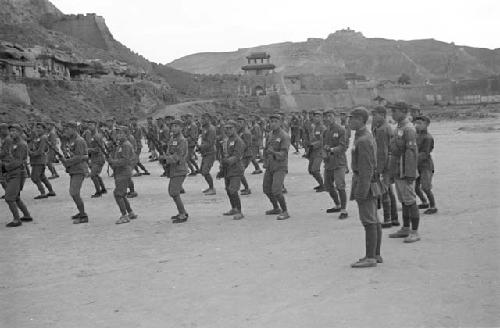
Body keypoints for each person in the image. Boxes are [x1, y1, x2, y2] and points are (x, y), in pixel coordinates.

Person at [348, 108, 383, 268]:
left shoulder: (363, 140)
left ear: (361, 120)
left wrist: (361, 191)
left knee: (369, 221)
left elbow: (366, 169)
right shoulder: (362, 137)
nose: (349, 122)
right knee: (373, 220)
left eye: (352, 119)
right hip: (368, 182)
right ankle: (375, 254)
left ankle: (371, 257)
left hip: (365, 183)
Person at [387, 102, 421, 243]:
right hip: (398, 169)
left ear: (403, 111)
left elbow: (411, 153)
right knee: (404, 201)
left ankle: (414, 231)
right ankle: (405, 228)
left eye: (395, 111)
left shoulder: (408, 129)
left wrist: (410, 174)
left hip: (405, 170)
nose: (392, 114)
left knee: (410, 201)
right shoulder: (399, 127)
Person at [371, 106, 399, 227]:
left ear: (382, 115)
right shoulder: (385, 127)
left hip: (385, 164)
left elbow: (382, 151)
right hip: (390, 162)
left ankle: (387, 219)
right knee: (389, 191)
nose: (373, 117)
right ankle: (394, 219)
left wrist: (379, 169)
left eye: (375, 114)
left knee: (384, 192)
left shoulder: (382, 129)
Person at [2, 124, 33, 227]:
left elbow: (18, 162)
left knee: (9, 197)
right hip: (13, 172)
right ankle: (27, 215)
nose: (12, 133)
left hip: (18, 173)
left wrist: (4, 166)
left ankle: (17, 219)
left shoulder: (21, 144)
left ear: (20, 132)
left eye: (14, 131)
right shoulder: (13, 143)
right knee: (16, 197)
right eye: (11, 131)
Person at [263, 113, 291, 220]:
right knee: (266, 189)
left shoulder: (284, 136)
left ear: (280, 123)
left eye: (275, 122)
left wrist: (274, 153)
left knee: (276, 190)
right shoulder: (270, 135)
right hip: (270, 166)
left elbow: (284, 154)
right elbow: (266, 149)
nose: (273, 124)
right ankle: (276, 207)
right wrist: (265, 160)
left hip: (280, 166)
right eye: (271, 122)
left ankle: (285, 211)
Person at [61, 122, 89, 224]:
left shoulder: (79, 141)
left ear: (74, 129)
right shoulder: (70, 140)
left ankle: (83, 215)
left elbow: (79, 157)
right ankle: (80, 212)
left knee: (74, 192)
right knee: (73, 193)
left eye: (67, 129)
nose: (65, 131)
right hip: (73, 169)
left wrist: (67, 162)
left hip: (79, 169)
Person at [109, 126, 138, 224]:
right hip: (120, 171)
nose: (119, 135)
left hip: (124, 172)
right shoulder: (121, 144)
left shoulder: (125, 145)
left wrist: (114, 161)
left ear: (126, 134)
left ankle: (124, 215)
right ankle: (130, 212)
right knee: (122, 194)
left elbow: (125, 160)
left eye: (121, 133)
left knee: (118, 194)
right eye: (118, 133)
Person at [161, 119, 189, 223]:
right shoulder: (172, 139)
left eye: (176, 126)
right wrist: (165, 157)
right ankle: (182, 212)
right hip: (173, 169)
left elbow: (178, 155)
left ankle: (182, 214)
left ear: (181, 128)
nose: (174, 128)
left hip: (179, 169)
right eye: (172, 126)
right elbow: (169, 152)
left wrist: (166, 159)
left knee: (173, 192)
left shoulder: (182, 140)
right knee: (173, 192)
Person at [323, 110, 348, 219]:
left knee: (340, 186)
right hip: (329, 162)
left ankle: (344, 210)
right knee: (328, 185)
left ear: (334, 117)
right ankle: (337, 204)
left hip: (339, 162)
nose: (328, 118)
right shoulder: (326, 131)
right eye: (326, 116)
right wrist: (324, 153)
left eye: (330, 116)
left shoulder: (341, 130)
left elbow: (343, 146)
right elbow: (324, 145)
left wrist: (332, 149)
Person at [221, 120, 245, 220]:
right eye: (226, 128)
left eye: (230, 128)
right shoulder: (226, 140)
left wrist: (227, 161)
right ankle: (234, 208)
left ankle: (239, 211)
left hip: (235, 169)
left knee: (233, 189)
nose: (228, 130)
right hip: (227, 169)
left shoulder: (238, 141)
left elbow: (237, 156)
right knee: (228, 190)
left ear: (235, 128)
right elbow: (224, 153)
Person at [414, 115, 437, 215]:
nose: (417, 125)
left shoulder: (428, 137)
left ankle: (433, 206)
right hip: (417, 165)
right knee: (416, 187)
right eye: (416, 123)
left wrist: (412, 159)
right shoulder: (415, 135)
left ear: (427, 125)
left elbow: (424, 153)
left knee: (426, 187)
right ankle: (424, 202)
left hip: (426, 165)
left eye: (420, 123)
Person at [29, 122, 56, 199]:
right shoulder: (38, 137)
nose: (37, 129)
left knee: (35, 177)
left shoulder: (43, 137)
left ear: (44, 129)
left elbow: (40, 151)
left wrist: (31, 153)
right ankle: (51, 191)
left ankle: (42, 193)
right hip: (37, 160)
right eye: (37, 127)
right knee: (42, 176)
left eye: (39, 128)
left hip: (39, 160)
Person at [87, 121, 107, 198]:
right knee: (96, 175)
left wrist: (89, 150)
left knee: (93, 175)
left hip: (98, 158)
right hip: (95, 158)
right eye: (89, 125)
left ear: (95, 126)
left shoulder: (96, 136)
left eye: (91, 125)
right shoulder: (93, 135)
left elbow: (98, 149)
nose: (89, 126)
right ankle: (103, 189)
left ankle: (98, 192)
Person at [307, 111, 327, 192]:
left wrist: (313, 144)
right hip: (313, 151)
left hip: (319, 151)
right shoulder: (314, 127)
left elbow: (322, 141)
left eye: (318, 116)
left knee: (315, 169)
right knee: (310, 170)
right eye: (315, 116)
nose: (316, 118)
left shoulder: (323, 128)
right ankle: (321, 184)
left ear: (321, 118)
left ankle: (323, 186)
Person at [199, 113, 217, 195]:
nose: (202, 120)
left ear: (209, 119)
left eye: (204, 118)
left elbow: (210, 143)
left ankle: (212, 189)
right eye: (202, 118)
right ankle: (210, 187)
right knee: (202, 171)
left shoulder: (211, 129)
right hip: (205, 153)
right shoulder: (204, 128)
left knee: (205, 171)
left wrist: (201, 147)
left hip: (210, 152)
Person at [237, 116, 253, 195]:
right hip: (242, 155)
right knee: (239, 171)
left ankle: (247, 188)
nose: (239, 124)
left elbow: (246, 145)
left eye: (240, 122)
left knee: (239, 171)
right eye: (238, 122)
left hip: (246, 155)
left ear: (244, 123)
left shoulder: (246, 133)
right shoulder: (240, 131)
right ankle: (246, 188)